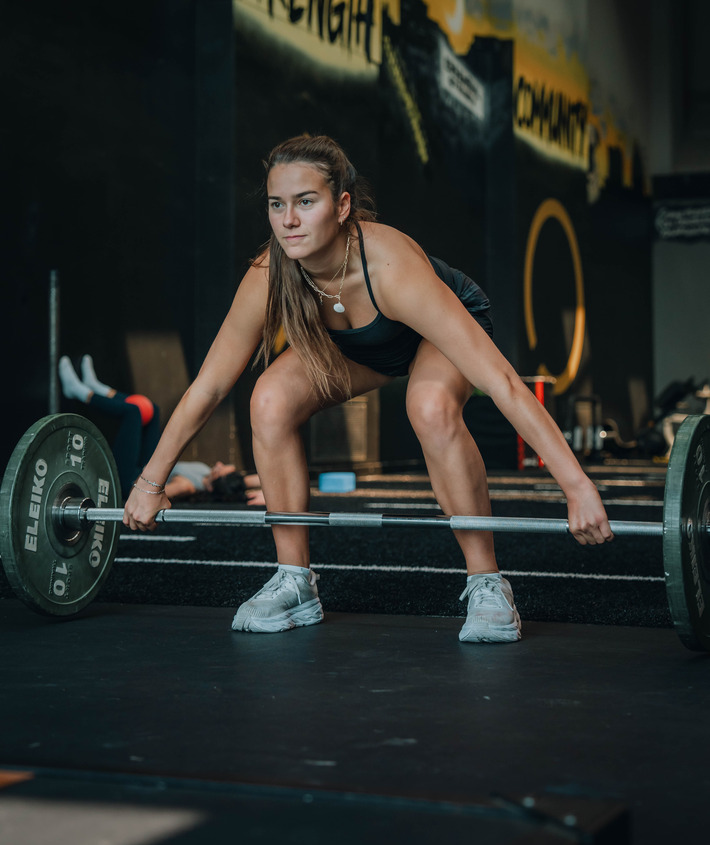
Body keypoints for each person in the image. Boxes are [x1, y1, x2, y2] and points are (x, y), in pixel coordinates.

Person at [123, 134, 613, 643]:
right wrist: (150, 484)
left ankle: (486, 582)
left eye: (305, 202)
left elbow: (504, 384)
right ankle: (295, 581)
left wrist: (576, 487)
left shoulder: (390, 268)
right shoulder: (270, 273)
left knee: (429, 406)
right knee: (268, 400)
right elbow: (208, 386)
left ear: (342, 206)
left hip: (434, 330)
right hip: (364, 348)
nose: (288, 220)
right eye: (276, 204)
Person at [59, 355, 264, 504]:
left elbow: (148, 494)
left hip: (129, 480)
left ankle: (79, 392)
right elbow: (245, 481)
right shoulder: (206, 473)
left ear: (212, 486)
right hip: (146, 465)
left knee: (133, 413)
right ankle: (96, 388)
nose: (218, 464)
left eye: (219, 469)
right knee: (152, 410)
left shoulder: (188, 485)